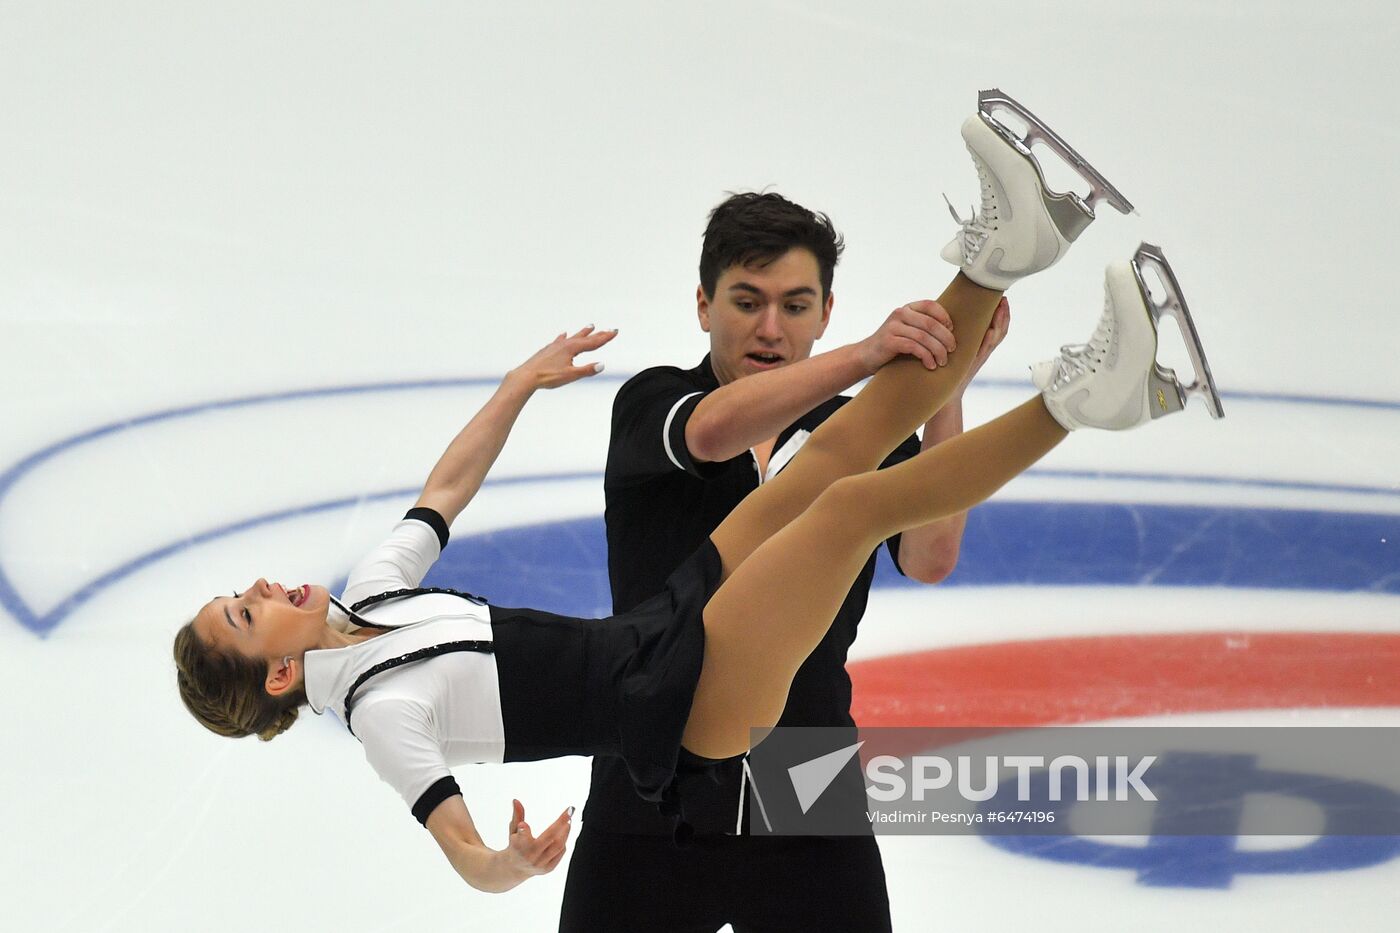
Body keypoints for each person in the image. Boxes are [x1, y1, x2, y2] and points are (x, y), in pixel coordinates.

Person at [174, 92, 1221, 905]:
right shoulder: (378, 711)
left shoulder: (374, 597)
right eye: (243, 607)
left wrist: (511, 388)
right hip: (679, 725)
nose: (259, 584)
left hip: (681, 640)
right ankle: (1090, 395)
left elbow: (445, 488)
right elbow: (454, 843)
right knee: (844, 508)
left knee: (831, 467)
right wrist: (502, 862)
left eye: (794, 305)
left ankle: (1006, 252)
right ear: (276, 672)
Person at [562, 189, 1009, 933]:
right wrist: (869, 356)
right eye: (747, 301)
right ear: (703, 304)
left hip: (806, 772)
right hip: (651, 777)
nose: (771, 328)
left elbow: (931, 555)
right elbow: (710, 437)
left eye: (796, 306)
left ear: (825, 312)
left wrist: (943, 384)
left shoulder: (858, 432)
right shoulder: (655, 405)